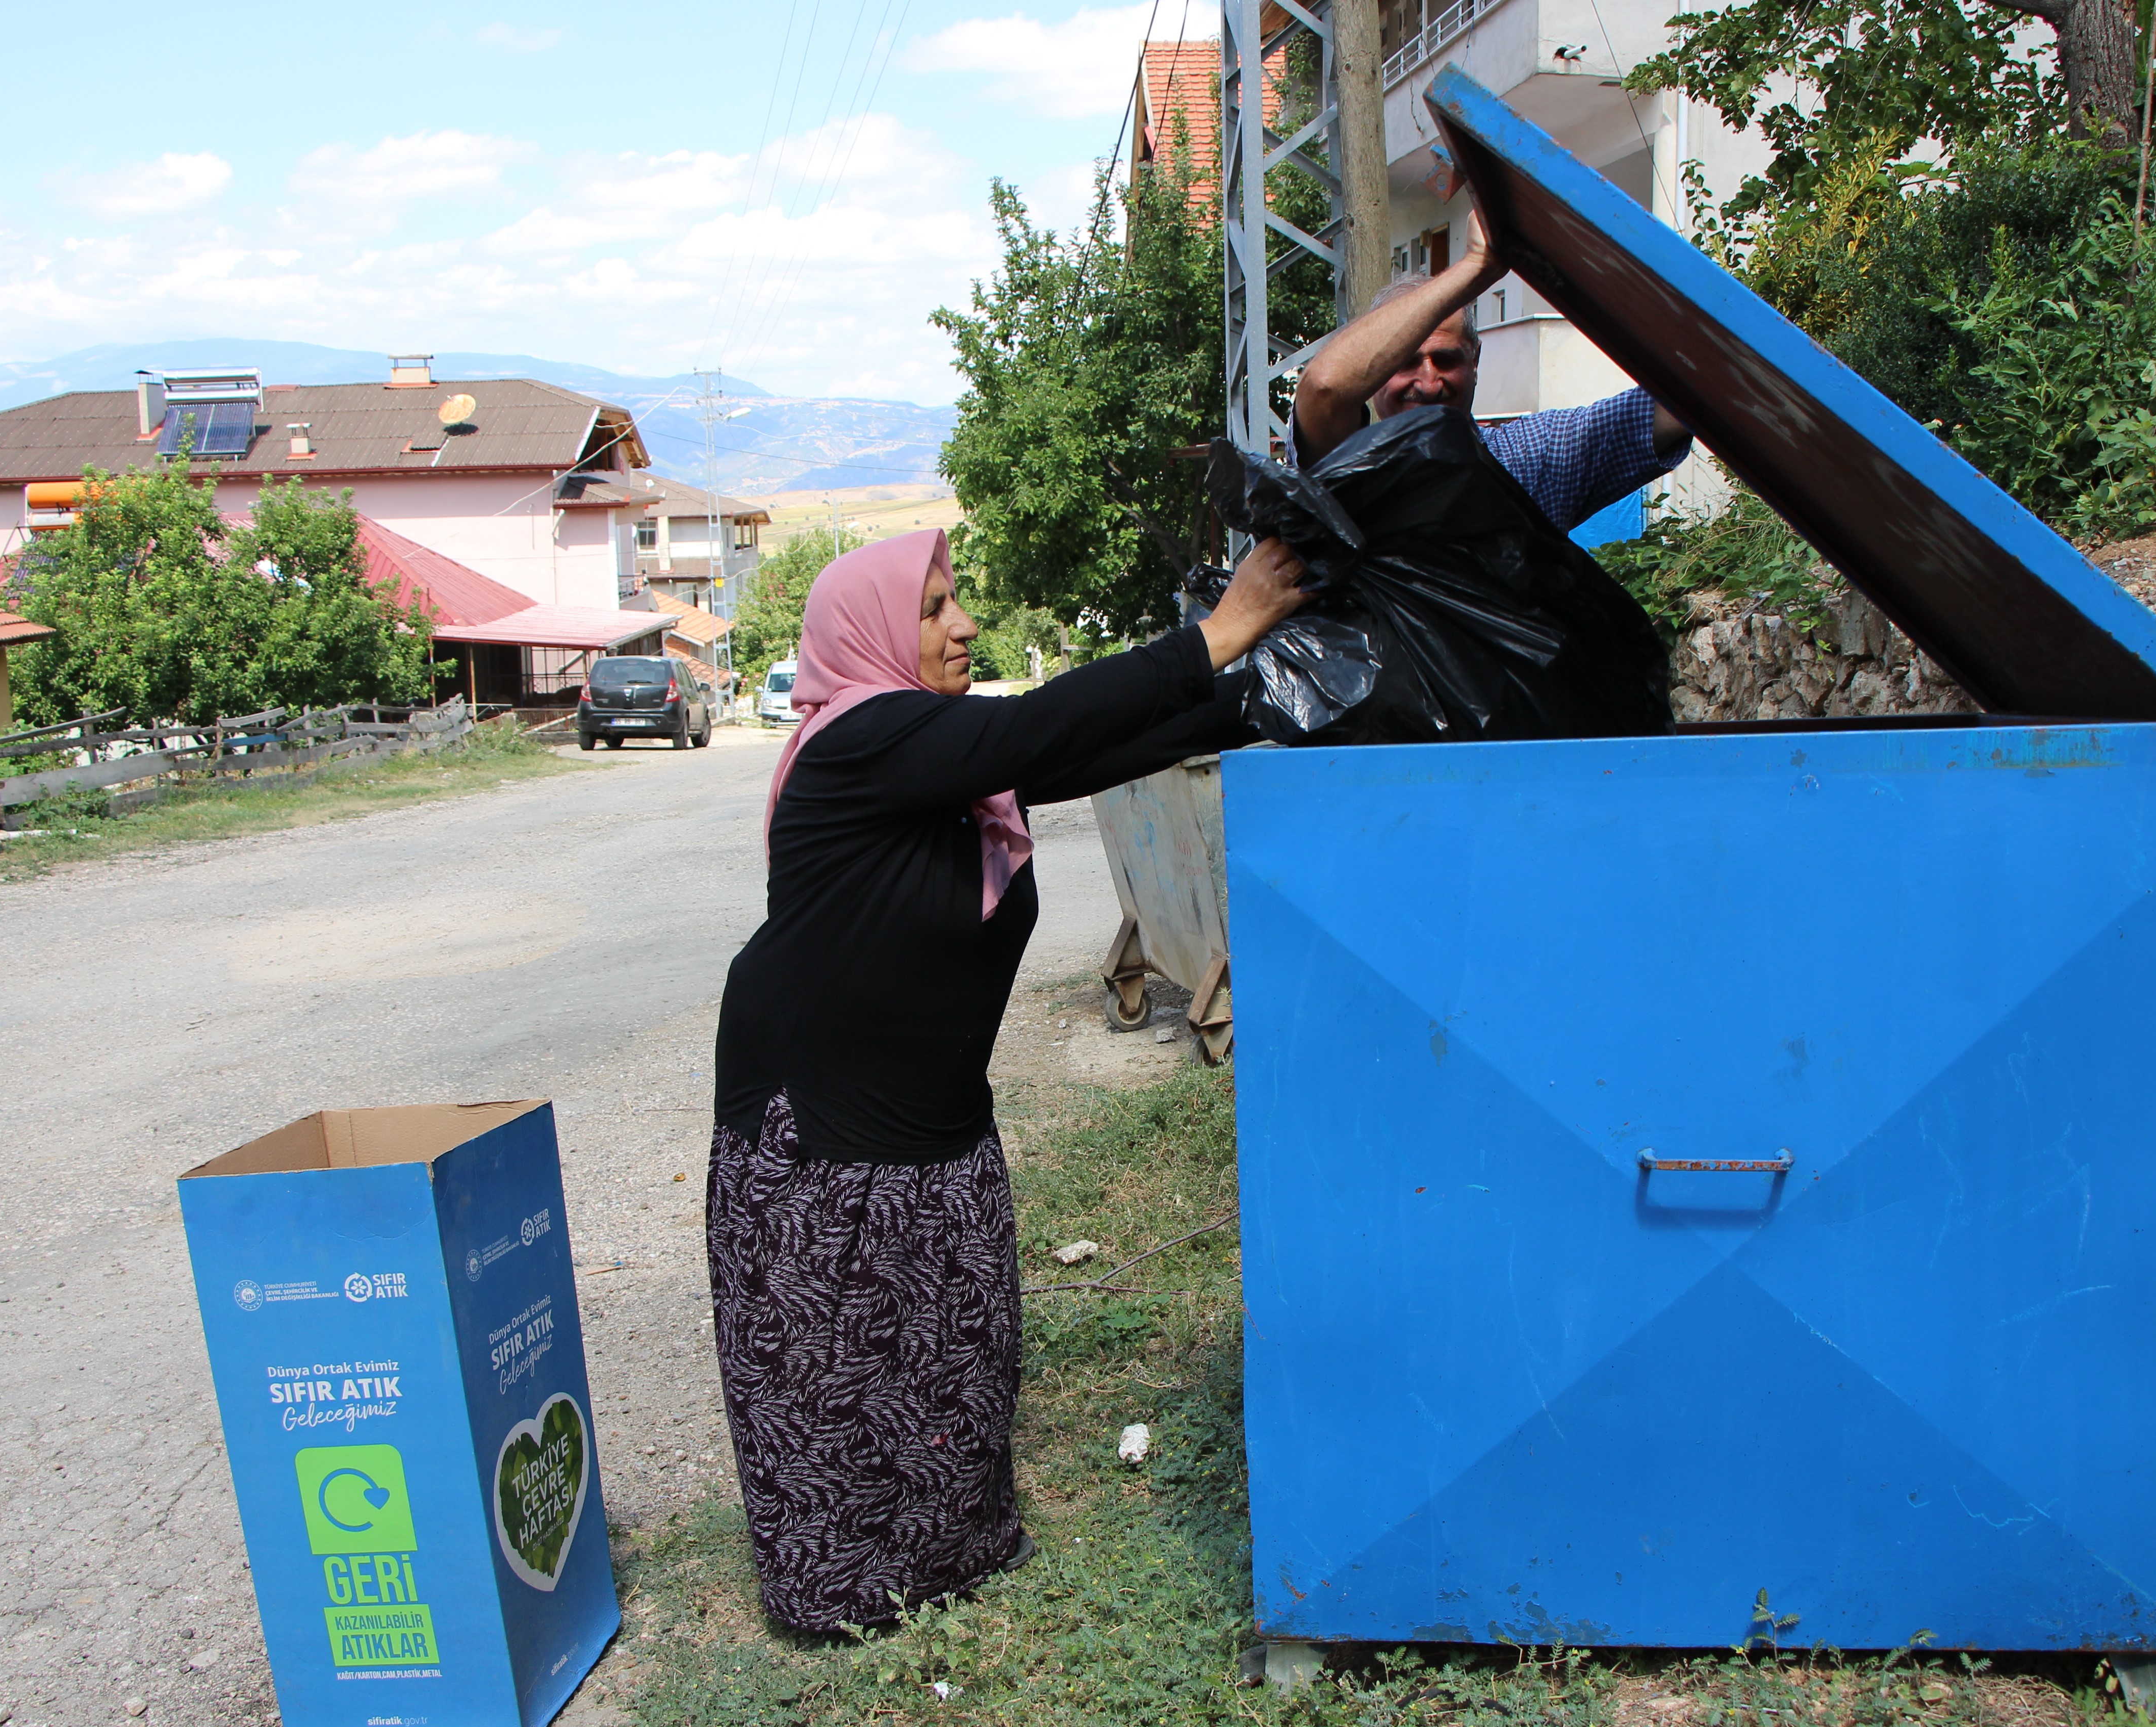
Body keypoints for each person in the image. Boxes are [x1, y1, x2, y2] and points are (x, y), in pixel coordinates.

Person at [705, 526, 1307, 1633]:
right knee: (833, 1354)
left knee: (948, 1341)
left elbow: (1106, 742)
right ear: (873, 632)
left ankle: (949, 1549)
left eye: (956, 602)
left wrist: (1274, 686)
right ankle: (837, 1586)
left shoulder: (954, 774)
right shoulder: (860, 740)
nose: (964, 624)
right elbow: (1040, 724)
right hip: (821, 1121)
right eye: (933, 608)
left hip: (931, 1114)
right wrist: (1223, 626)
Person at [1292, 202, 1693, 531]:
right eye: (1405, 361)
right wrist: (1476, 268)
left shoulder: (1531, 461)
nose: (1429, 383)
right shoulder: (1345, 468)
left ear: (1476, 361)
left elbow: (1682, 400)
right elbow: (1324, 388)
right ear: (1375, 372)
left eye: (1446, 360)